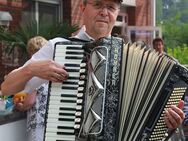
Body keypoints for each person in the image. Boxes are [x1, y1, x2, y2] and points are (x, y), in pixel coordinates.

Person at [0, 0, 185, 139]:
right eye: (98, 4)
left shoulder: (138, 59)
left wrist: (166, 124)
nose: (104, 12)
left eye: (111, 7)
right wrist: (31, 69)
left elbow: (148, 126)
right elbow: (7, 89)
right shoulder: (58, 48)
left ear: (117, 12)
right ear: (83, 7)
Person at [14, 36, 48, 141]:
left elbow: (29, 101)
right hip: (52, 123)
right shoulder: (51, 69)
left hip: (37, 124)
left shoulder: (34, 72)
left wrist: (19, 106)